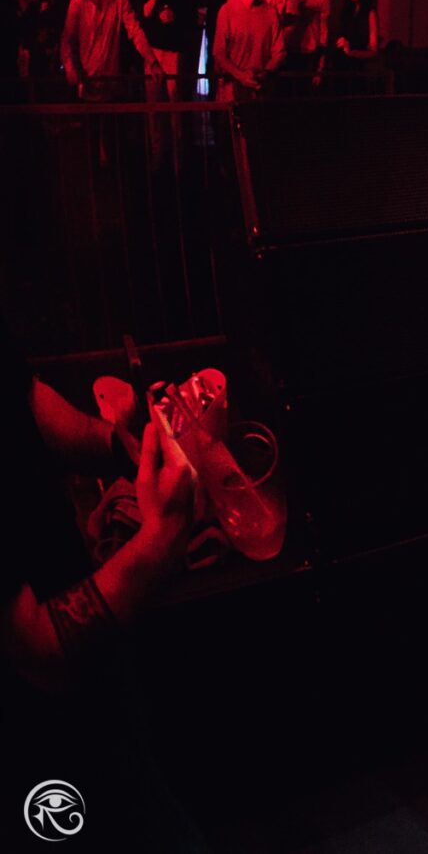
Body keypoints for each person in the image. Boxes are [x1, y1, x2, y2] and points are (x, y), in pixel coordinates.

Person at [3, 308, 204, 847]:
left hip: (94, 663)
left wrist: (118, 445)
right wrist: (162, 538)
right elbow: (35, 650)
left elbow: (21, 397)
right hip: (33, 728)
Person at [61, 0, 151, 98]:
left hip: (111, 83)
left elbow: (135, 31)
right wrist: (70, 68)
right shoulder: (79, 1)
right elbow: (68, 38)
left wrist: (151, 60)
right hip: (87, 80)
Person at [211, 0, 281, 99]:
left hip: (261, 86)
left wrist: (266, 72)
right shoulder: (227, 11)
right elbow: (219, 52)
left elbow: (279, 51)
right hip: (232, 87)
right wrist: (240, 75)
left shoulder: (271, 13)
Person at [137, 0, 195, 99]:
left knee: (174, 97)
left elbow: (191, 14)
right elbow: (145, 12)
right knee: (153, 98)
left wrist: (175, 16)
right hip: (154, 47)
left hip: (174, 48)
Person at [327, 0, 380, 83]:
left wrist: (351, 51)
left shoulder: (370, 13)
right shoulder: (345, 11)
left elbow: (373, 51)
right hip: (339, 68)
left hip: (356, 71)